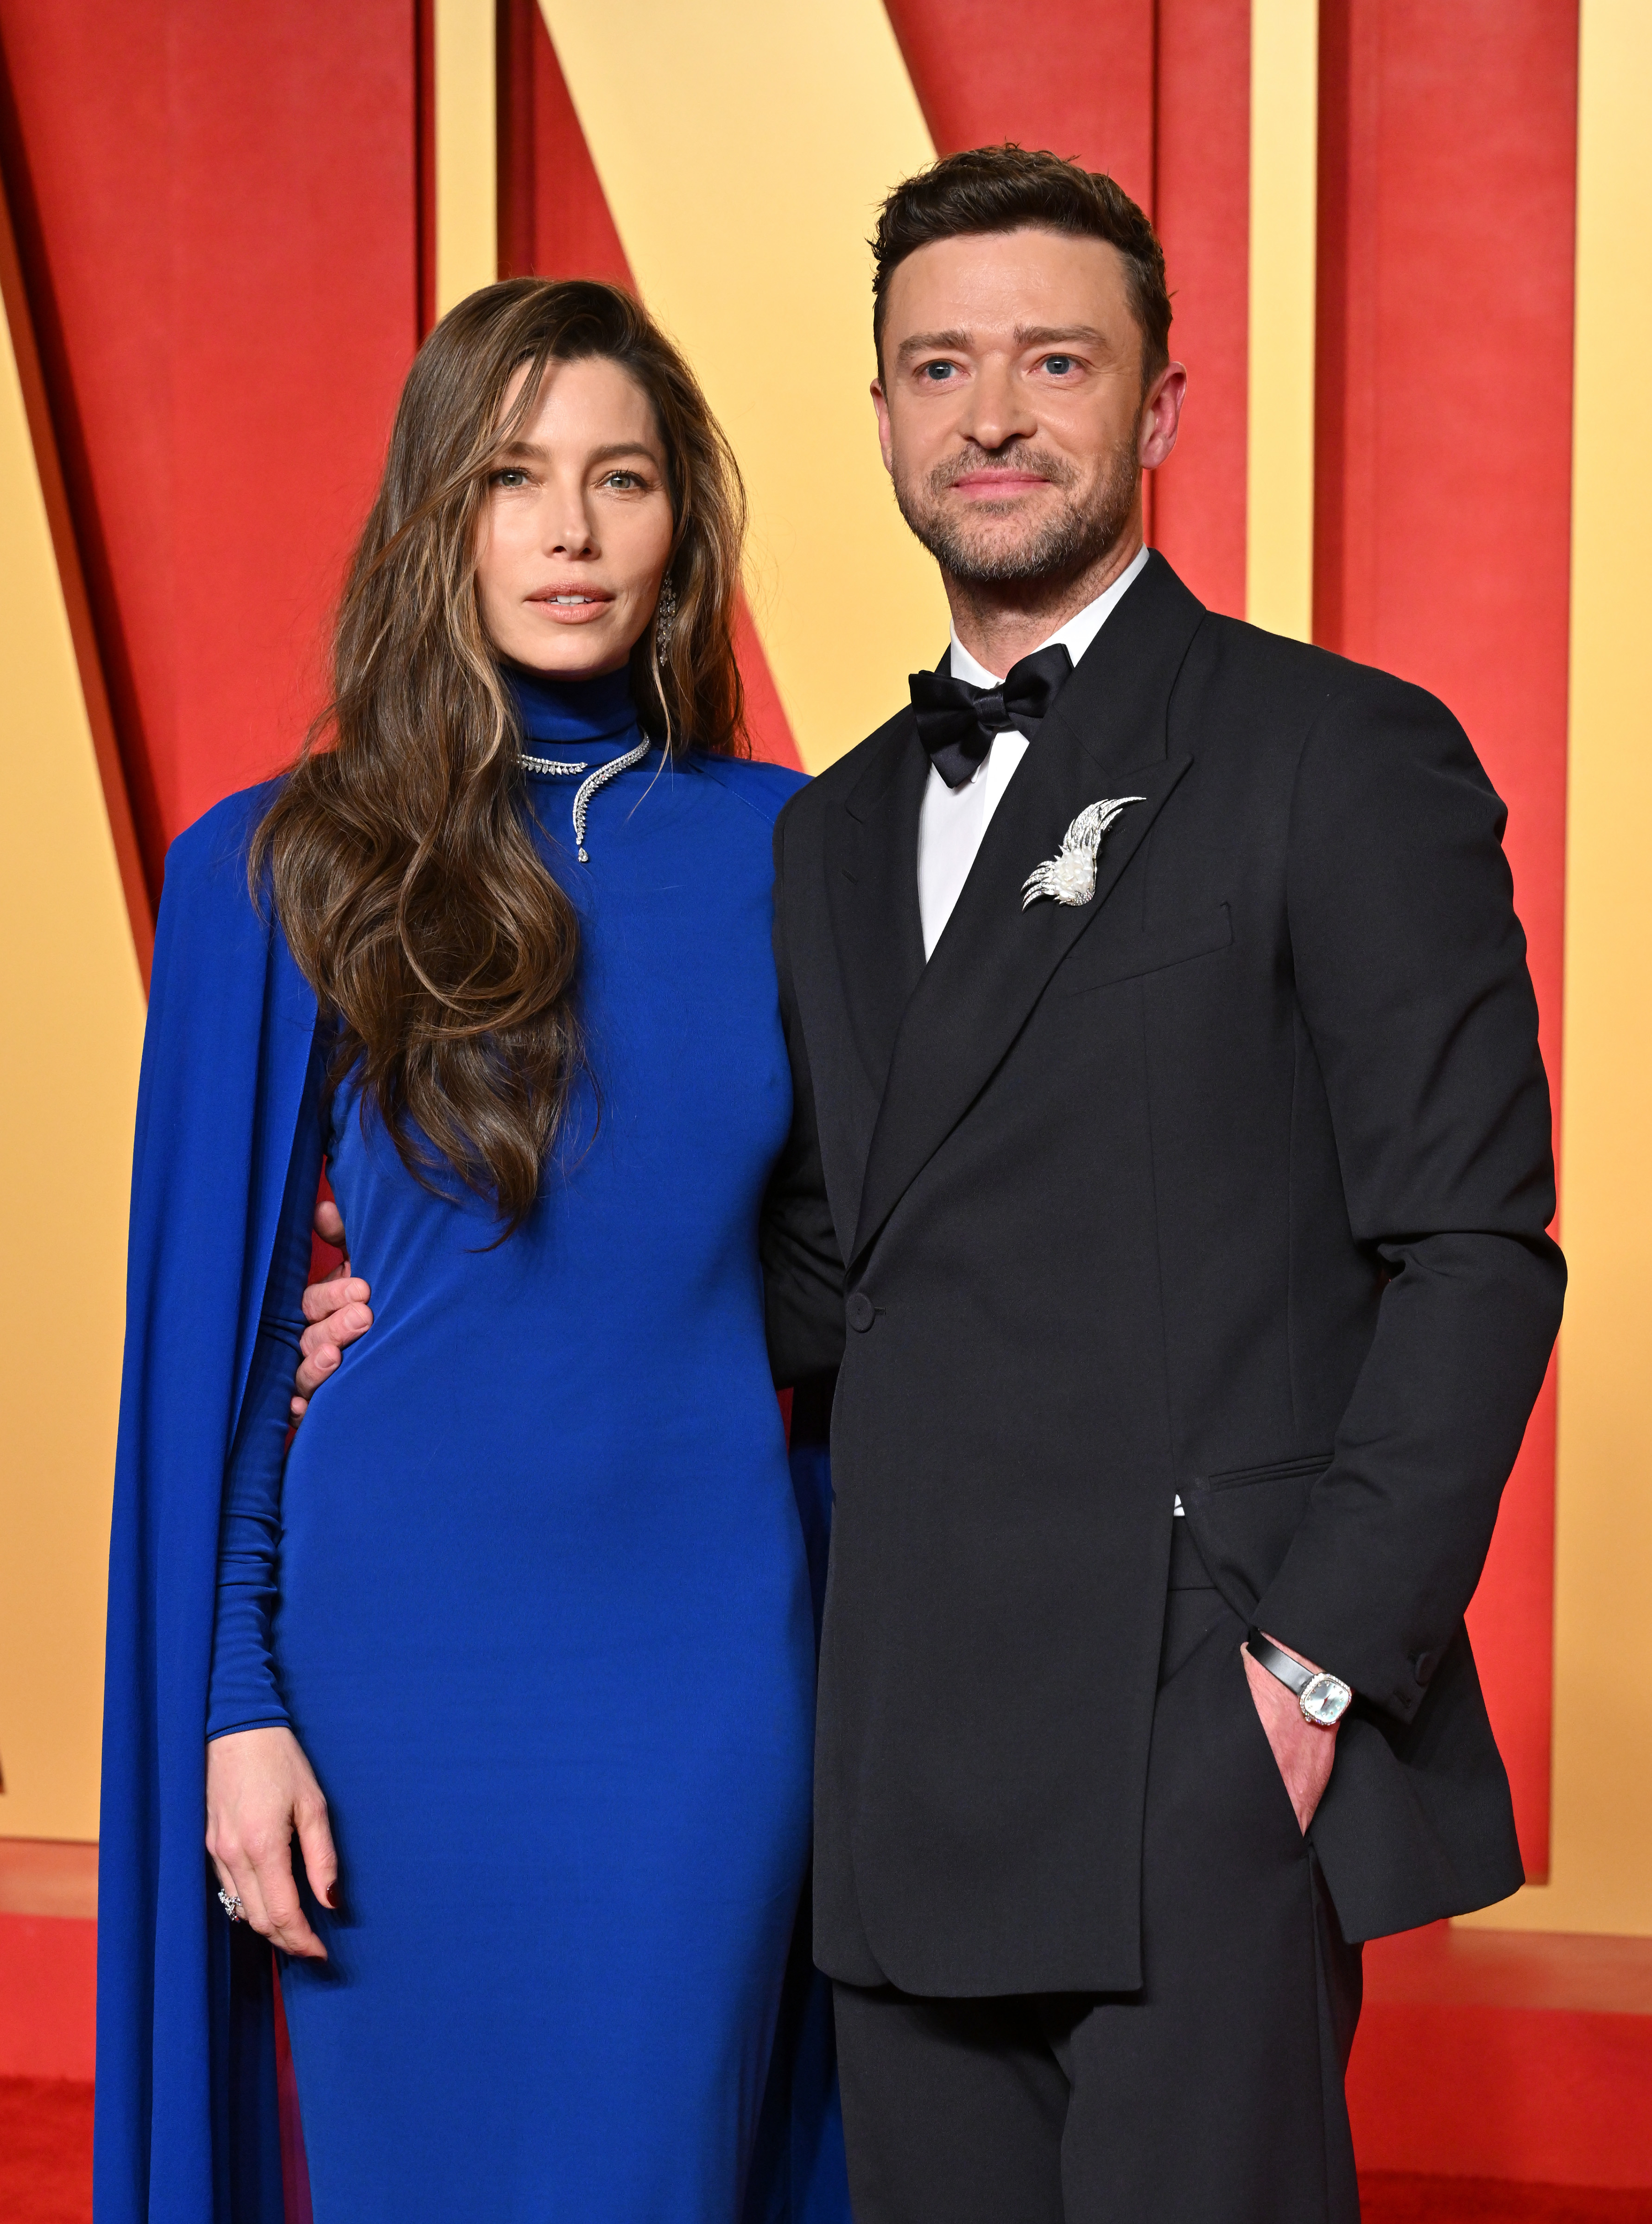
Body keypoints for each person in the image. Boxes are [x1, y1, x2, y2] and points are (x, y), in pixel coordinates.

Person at [298, 152, 1565, 2223]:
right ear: (882, 415)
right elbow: (811, 1265)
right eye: (941, 366)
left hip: (1194, 1730)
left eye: (1055, 362)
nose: (993, 414)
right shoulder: (832, 832)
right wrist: (450, 1305)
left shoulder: (1339, 752)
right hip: (894, 1753)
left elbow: (1477, 1253)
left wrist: (1315, 1668)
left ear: (1160, 404)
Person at [97, 278, 849, 2224]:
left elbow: (876, 1266)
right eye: (514, 478)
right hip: (391, 1666)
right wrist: (232, 1703)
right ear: (437, 510)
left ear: (684, 523)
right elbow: (225, 1366)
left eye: (622, 478)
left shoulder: (806, 856)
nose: (571, 531)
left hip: (702, 1666)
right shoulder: (280, 867)